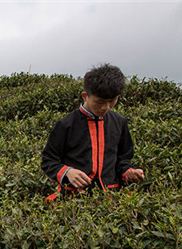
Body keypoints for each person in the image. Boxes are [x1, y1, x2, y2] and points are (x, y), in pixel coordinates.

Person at [41, 63, 145, 202]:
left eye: (112, 101)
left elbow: (123, 159)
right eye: (99, 102)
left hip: (112, 197)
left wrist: (129, 172)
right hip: (74, 198)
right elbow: (48, 161)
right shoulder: (66, 124)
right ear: (85, 96)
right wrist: (68, 172)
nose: (106, 107)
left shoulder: (119, 122)